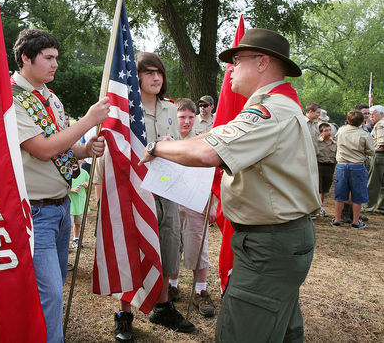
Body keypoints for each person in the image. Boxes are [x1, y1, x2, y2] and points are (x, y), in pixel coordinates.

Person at [139, 28, 320, 342]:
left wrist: (156, 147)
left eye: (237, 60)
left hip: (269, 244)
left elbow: (209, 151)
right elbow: (214, 140)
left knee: (241, 332)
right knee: (280, 329)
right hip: (278, 238)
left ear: (262, 63)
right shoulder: (279, 106)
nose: (230, 69)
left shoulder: (269, 111)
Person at [11, 28, 109, 343]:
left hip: (61, 206)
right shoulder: (11, 98)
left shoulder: (51, 97)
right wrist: (88, 120)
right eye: (48, 58)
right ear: (26, 58)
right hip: (34, 212)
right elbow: (42, 149)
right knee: (49, 293)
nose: (55, 64)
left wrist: (85, 148)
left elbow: (64, 146)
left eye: (57, 58)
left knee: (52, 289)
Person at [114, 52, 194, 342]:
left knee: (168, 249)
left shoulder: (170, 109)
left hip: (167, 190)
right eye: (148, 72)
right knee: (136, 251)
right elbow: (121, 153)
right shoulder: (126, 110)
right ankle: (125, 313)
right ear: (135, 78)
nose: (156, 77)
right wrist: (154, 150)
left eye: (159, 72)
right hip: (138, 190)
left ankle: (162, 306)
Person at [173, 98, 217, 318]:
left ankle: (200, 290)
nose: (188, 122)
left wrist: (212, 204)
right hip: (171, 200)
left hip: (195, 201)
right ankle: (172, 285)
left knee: (197, 243)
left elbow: (211, 176)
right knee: (171, 244)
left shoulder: (201, 142)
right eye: (183, 117)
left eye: (191, 117)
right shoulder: (166, 140)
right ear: (175, 117)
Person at [332, 110, 373, 229]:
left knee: (339, 194)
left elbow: (336, 141)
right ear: (362, 121)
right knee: (357, 195)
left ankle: (337, 219)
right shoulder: (364, 134)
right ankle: (355, 221)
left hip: (342, 165)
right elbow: (371, 150)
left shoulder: (341, 130)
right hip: (357, 165)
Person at [316, 122, 336, 217]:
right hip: (319, 166)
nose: (328, 132)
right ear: (320, 132)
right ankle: (315, 207)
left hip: (329, 167)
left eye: (329, 130)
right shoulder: (317, 143)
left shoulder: (334, 143)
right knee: (317, 188)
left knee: (324, 189)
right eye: (325, 130)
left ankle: (320, 207)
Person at [366, 105, 384, 213]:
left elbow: (382, 142)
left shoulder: (380, 125)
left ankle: (368, 206)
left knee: (373, 182)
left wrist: (373, 151)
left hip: (379, 155)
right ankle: (381, 206)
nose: (371, 116)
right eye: (370, 114)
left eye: (373, 114)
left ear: (381, 114)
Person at [69, 158, 89, 249]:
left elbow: (88, 183)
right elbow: (62, 186)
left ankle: (75, 239)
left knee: (78, 223)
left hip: (80, 203)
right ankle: (65, 243)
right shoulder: (68, 172)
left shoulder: (84, 173)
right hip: (70, 203)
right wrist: (71, 190)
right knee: (68, 224)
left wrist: (86, 184)